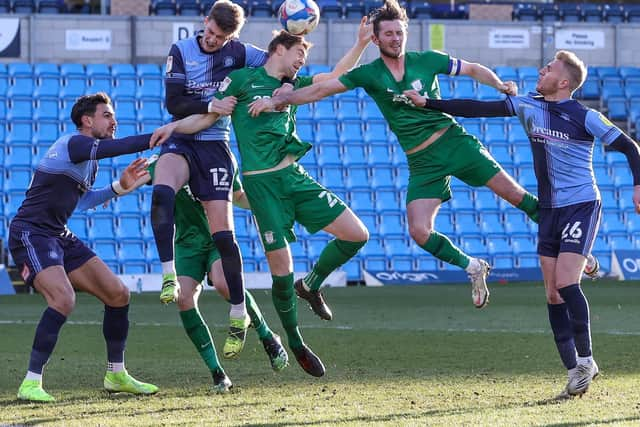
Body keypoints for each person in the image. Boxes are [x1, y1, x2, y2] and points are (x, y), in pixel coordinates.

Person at [247, 0, 545, 310]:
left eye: (399, 32)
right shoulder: (370, 74)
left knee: (515, 195)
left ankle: (570, 245)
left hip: (454, 143)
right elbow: (322, 90)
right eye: (388, 33)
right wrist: (279, 101)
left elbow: (470, 68)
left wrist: (498, 83)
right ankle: (472, 266)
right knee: (419, 231)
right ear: (375, 39)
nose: (395, 38)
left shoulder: (426, 60)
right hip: (422, 161)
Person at [402, 50, 640, 398]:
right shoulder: (528, 105)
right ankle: (574, 372)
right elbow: (477, 107)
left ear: (562, 82)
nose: (540, 71)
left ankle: (588, 359)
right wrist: (429, 103)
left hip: (581, 205)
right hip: (549, 211)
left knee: (566, 282)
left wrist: (637, 186)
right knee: (552, 293)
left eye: (548, 69)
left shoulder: (586, 116)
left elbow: (631, 148)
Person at [151, 27, 372, 377]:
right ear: (280, 49)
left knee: (357, 234)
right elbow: (208, 117)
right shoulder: (240, 80)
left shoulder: (292, 87)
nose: (303, 60)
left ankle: (311, 284)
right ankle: (295, 342)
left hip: (295, 178)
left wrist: (361, 42)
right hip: (262, 187)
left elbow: (334, 77)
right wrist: (174, 128)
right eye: (299, 52)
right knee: (281, 270)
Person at [8, 92, 163, 402]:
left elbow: (85, 201)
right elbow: (114, 148)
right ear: (87, 121)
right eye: (107, 115)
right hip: (32, 232)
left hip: (58, 234)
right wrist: (158, 136)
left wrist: (121, 186)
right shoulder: (75, 144)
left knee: (118, 294)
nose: (113, 120)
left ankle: (116, 373)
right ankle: (31, 382)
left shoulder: (87, 162)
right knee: (63, 298)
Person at [151, 0, 269, 361]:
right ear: (204, 22)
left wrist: (274, 93)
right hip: (184, 139)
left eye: (223, 37)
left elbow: (280, 66)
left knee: (223, 234)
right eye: (213, 33)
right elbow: (174, 104)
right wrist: (211, 105)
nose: (215, 41)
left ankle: (239, 313)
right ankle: (168, 272)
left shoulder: (241, 52)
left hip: (217, 146)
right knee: (161, 192)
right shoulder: (182, 50)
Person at [147, 158, 288, 392]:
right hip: (186, 245)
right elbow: (137, 178)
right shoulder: (166, 160)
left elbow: (239, 195)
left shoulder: (221, 156)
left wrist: (265, 202)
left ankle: (268, 338)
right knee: (183, 299)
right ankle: (217, 373)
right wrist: (116, 190)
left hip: (217, 238)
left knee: (224, 284)